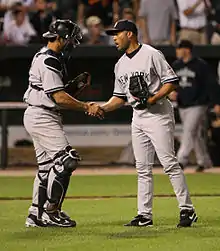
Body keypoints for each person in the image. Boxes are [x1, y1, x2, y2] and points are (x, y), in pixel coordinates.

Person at [89, 19, 198, 227]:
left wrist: (152, 99)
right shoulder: (120, 64)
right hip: (137, 117)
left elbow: (172, 82)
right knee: (142, 168)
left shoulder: (151, 54)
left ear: (129, 34)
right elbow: (119, 98)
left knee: (169, 163)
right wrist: (103, 107)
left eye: (117, 33)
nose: (114, 37)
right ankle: (144, 215)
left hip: (158, 114)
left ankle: (187, 209)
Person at [23, 19, 103, 228]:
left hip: (39, 113)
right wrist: (86, 106)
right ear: (60, 38)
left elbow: (55, 94)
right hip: (42, 116)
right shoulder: (50, 60)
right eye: (70, 40)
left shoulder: (43, 55)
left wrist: (70, 90)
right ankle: (51, 211)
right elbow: (58, 98)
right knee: (68, 160)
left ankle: (35, 214)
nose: (72, 45)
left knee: (46, 168)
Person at [169, 39, 220, 172]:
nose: (177, 52)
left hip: (198, 104)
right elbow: (170, 83)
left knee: (188, 131)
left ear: (186, 50)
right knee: (196, 134)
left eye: (179, 49)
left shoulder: (201, 65)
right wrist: (171, 92)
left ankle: (181, 160)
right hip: (183, 104)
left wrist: (216, 102)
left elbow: (212, 85)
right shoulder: (176, 65)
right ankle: (204, 161)